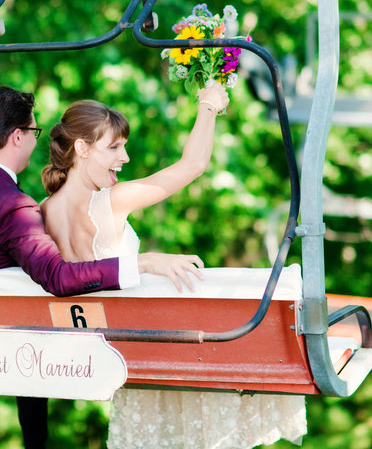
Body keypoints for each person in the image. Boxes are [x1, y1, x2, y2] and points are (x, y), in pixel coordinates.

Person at [0, 85, 206, 449]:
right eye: (33, 131)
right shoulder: (16, 207)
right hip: (108, 345)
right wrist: (142, 262)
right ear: (18, 136)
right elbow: (56, 278)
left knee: (29, 318)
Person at [39, 83, 307, 448]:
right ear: (82, 149)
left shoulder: (41, 212)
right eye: (114, 147)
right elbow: (193, 165)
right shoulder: (111, 201)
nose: (125, 157)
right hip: (154, 346)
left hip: (114, 351)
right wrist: (208, 105)